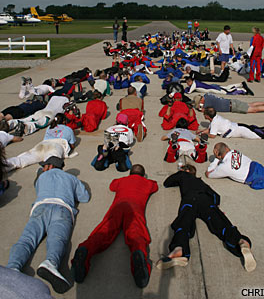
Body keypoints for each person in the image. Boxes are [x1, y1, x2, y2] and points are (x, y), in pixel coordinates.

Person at [7, 156, 90, 294]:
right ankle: (51, 263)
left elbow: (39, 189)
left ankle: (13, 267)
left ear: (50, 166)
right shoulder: (71, 178)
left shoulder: (41, 178)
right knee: (57, 239)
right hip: (62, 208)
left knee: (27, 239)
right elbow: (84, 197)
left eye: (44, 166)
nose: (42, 168)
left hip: (40, 207)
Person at [71, 164, 158, 288]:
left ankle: (86, 248)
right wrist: (145, 180)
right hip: (134, 209)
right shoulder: (147, 183)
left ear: (130, 173)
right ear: (143, 175)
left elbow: (112, 186)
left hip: (117, 207)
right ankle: (138, 253)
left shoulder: (122, 181)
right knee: (136, 233)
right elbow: (155, 186)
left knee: (104, 231)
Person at [156, 164, 256, 272]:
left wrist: (180, 173)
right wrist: (215, 208)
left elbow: (167, 183)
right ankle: (240, 241)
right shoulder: (201, 182)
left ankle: (179, 249)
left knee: (183, 222)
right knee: (220, 223)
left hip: (190, 200)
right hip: (205, 200)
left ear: (187, 170)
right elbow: (216, 196)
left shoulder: (183, 175)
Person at [6, 113, 77, 171]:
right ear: (64, 121)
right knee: (52, 163)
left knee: (23, 159)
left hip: (43, 145)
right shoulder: (68, 129)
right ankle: (46, 178)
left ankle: (5, 165)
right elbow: (72, 145)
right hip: (56, 146)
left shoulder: (50, 127)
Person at [199, 107, 264, 140]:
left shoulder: (215, 122)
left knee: (261, 135)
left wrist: (203, 134)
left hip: (238, 130)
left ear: (207, 116)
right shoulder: (216, 118)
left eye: (204, 114)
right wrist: (201, 131)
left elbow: (212, 135)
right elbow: (209, 128)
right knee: (258, 129)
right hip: (237, 125)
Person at [193, 94, 264, 114]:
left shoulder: (207, 102)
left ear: (201, 101)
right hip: (232, 102)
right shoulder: (207, 95)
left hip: (233, 107)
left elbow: (203, 111)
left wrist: (199, 108)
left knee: (253, 110)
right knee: (250, 104)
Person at [184, 77, 254, 96]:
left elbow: (189, 92)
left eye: (187, 83)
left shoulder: (193, 84)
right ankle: (240, 84)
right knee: (226, 87)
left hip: (212, 89)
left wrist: (185, 89)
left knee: (228, 92)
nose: (187, 84)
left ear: (190, 81)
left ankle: (243, 90)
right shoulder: (196, 81)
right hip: (212, 86)